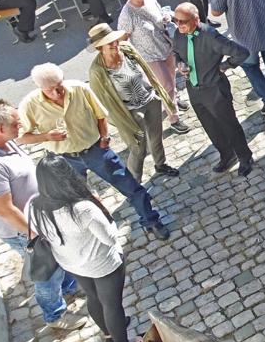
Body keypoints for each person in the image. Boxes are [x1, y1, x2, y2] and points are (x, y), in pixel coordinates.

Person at [18, 63, 169, 239]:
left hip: (96, 150)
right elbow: (22, 137)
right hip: (64, 159)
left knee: (131, 186)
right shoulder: (29, 105)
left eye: (59, 86)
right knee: (78, 200)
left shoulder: (79, 89)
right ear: (40, 87)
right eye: (51, 90)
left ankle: (151, 221)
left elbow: (100, 115)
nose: (58, 92)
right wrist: (46, 136)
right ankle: (99, 232)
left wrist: (104, 138)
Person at [0, 100, 83, 331]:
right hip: (25, 230)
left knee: (61, 258)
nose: (20, 124)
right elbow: (4, 209)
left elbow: (22, 142)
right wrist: (34, 234)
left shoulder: (4, 141)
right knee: (47, 272)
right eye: (15, 122)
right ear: (0, 128)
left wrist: (44, 136)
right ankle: (55, 316)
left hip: (40, 218)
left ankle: (70, 286)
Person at [27, 155, 144, 342]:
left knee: (93, 297)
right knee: (112, 304)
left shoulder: (35, 207)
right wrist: (99, 205)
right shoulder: (82, 208)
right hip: (102, 264)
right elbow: (109, 237)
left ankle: (109, 333)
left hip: (72, 263)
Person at [86, 24, 181, 182]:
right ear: (100, 47)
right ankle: (134, 182)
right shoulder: (97, 71)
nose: (115, 44)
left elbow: (145, 69)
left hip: (150, 99)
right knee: (138, 148)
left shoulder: (126, 49)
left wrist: (157, 92)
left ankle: (161, 164)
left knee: (156, 136)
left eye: (115, 40)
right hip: (130, 112)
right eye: (110, 43)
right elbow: (102, 102)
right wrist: (116, 121)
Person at [170, 2, 254, 176]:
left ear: (196, 19)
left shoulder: (210, 35)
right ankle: (227, 155)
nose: (178, 25)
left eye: (182, 21)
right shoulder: (179, 34)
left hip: (215, 89)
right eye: (175, 21)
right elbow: (175, 51)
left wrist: (224, 66)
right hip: (194, 88)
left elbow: (242, 52)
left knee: (229, 125)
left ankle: (245, 157)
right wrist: (179, 63)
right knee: (210, 126)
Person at [117, 0, 187, 132]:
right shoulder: (127, 14)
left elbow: (160, 15)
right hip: (149, 56)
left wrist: (166, 17)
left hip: (165, 47)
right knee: (166, 85)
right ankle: (174, 118)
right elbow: (122, 38)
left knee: (172, 79)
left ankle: (174, 99)